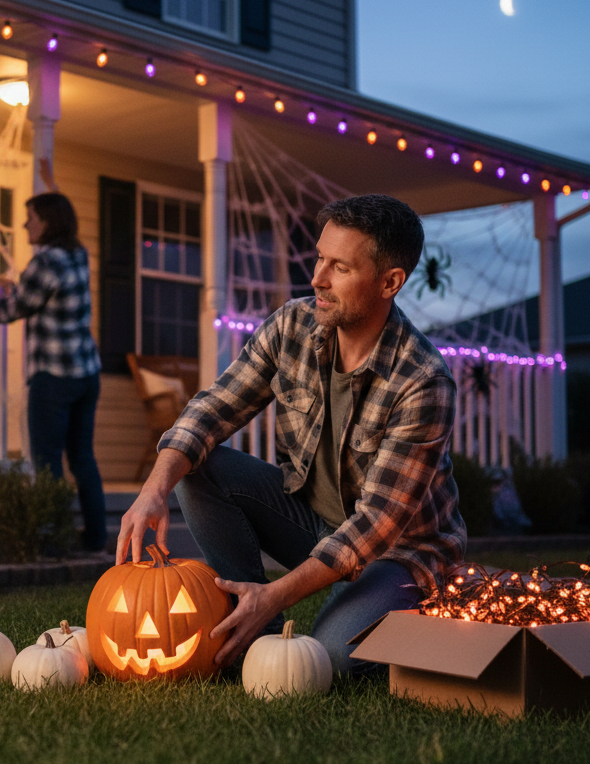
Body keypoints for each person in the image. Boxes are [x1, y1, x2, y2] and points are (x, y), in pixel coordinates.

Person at [116, 194, 465, 674]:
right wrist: (154, 490)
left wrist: (279, 590)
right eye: (320, 257)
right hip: (312, 521)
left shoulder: (423, 382)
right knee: (203, 465)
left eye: (340, 267)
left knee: (332, 660)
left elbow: (373, 528)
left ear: (390, 282)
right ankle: (250, 627)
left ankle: (409, 614)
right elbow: (211, 410)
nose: (318, 278)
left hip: (399, 554)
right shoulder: (292, 326)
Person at [0, 190, 108, 552]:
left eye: (32, 217)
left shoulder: (44, 262)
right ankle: (95, 538)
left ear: (48, 222)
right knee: (82, 457)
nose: (26, 223)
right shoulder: (77, 255)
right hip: (86, 372)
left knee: (46, 460)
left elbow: (10, 312)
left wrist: (1, 293)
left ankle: (53, 540)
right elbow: (43, 297)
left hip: (54, 375)